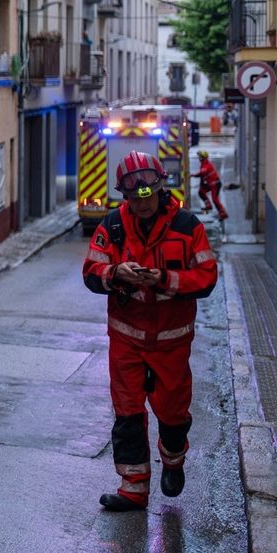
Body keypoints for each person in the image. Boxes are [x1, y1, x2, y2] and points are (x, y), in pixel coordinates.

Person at [82, 151, 218, 512]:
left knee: (173, 414)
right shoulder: (111, 227)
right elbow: (90, 272)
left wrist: (165, 280)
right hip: (126, 341)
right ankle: (133, 488)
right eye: (132, 198)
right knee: (127, 414)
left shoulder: (188, 227)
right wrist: (115, 274)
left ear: (160, 189)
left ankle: (173, 461)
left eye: (147, 196)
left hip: (171, 344)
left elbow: (207, 278)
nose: (141, 205)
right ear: (124, 197)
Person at [191, 149, 228, 220]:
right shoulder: (204, 164)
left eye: (200, 157)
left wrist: (194, 175)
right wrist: (194, 175)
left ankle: (223, 214)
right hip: (211, 184)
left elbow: (203, 172)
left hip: (215, 184)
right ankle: (208, 205)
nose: (199, 158)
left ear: (203, 157)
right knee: (201, 192)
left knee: (215, 199)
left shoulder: (206, 165)